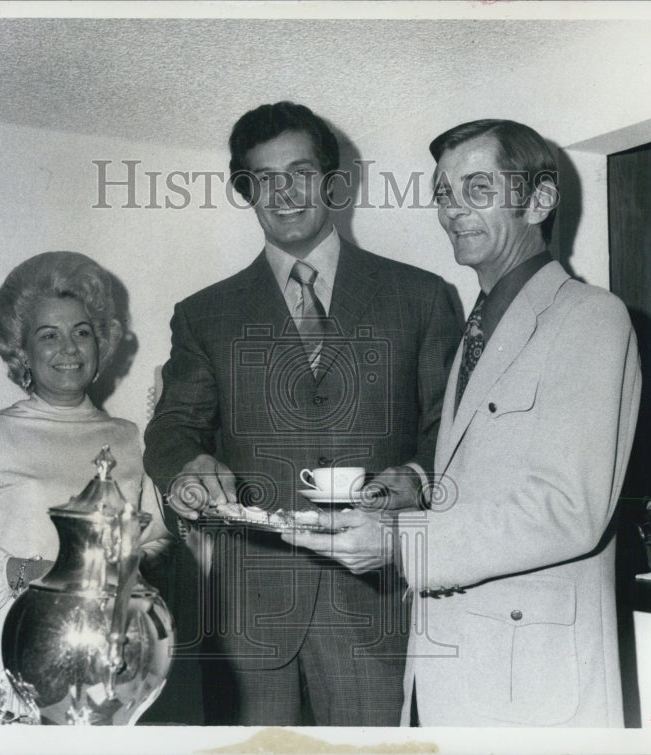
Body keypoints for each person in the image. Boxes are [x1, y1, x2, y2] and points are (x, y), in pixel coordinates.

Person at [287, 119, 642, 727]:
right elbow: (494, 470)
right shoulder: (482, 326)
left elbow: (568, 510)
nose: (452, 210)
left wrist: (402, 541)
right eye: (444, 192)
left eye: (477, 188)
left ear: (539, 201)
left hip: (532, 687)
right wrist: (417, 483)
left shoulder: (591, 318)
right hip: (449, 672)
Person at [142, 101, 460, 726]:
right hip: (246, 618)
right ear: (245, 191)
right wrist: (186, 465)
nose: (283, 192)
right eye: (263, 178)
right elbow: (172, 428)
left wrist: (417, 480)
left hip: (375, 605)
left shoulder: (422, 298)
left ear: (334, 181)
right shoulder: (205, 315)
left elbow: (448, 433)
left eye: (301, 172)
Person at [0, 251, 171, 712]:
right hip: (4, 672)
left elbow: (154, 543)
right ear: (22, 351)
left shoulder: (128, 439)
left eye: (81, 333)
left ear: (101, 344)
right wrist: (23, 573)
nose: (68, 349)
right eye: (48, 335)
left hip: (101, 677)